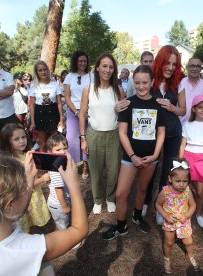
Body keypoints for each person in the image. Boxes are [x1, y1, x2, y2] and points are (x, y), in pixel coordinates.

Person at [101, 65, 166, 240]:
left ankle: (137, 216)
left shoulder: (159, 105)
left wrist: (155, 155)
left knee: (143, 188)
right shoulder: (128, 104)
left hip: (151, 158)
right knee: (121, 193)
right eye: (137, 82)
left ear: (152, 82)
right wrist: (132, 156)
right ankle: (121, 226)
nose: (141, 86)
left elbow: (161, 133)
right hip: (130, 157)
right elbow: (122, 133)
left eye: (145, 82)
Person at [79, 53, 125, 214]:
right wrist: (83, 138)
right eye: (104, 66)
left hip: (114, 135)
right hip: (94, 135)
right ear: (97, 67)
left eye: (111, 67)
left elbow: (124, 115)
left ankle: (110, 198)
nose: (107, 70)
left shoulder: (118, 90)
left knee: (113, 170)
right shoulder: (88, 89)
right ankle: (98, 200)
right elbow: (82, 113)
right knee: (95, 170)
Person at [146, 45, 186, 224]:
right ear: (160, 62)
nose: (170, 67)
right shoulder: (150, 80)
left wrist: (171, 107)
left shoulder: (179, 83)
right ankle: (145, 200)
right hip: (151, 133)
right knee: (150, 168)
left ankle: (160, 205)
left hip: (173, 133)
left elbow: (183, 110)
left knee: (167, 171)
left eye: (174, 64)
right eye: (167, 63)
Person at [0, 123, 51, 233]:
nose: (22, 141)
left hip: (32, 195)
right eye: (16, 139)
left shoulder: (26, 154)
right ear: (7, 142)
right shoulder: (10, 162)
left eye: (23, 137)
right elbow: (23, 184)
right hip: (23, 196)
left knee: (30, 221)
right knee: (24, 222)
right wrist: (43, 179)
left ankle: (32, 233)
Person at [179, 95, 203, 228]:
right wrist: (180, 162)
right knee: (186, 189)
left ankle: (198, 213)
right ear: (194, 109)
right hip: (188, 158)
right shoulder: (187, 125)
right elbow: (182, 145)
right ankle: (185, 212)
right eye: (200, 107)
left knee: (200, 191)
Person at [155, 158, 199, 274]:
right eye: (177, 181)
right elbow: (158, 205)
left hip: (184, 221)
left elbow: (193, 205)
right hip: (169, 222)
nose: (181, 184)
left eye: (184, 181)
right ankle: (167, 259)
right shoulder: (165, 192)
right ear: (170, 179)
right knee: (169, 242)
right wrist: (165, 216)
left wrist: (187, 215)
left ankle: (191, 255)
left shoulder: (187, 191)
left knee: (188, 242)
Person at [63, 51, 93, 179]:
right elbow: (67, 97)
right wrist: (76, 111)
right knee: (72, 140)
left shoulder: (92, 76)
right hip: (73, 111)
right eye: (80, 61)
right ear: (75, 62)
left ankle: (86, 166)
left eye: (85, 61)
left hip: (88, 112)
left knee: (87, 138)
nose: (82, 63)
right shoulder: (69, 76)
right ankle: (74, 165)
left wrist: (86, 111)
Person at [28, 60, 64, 152]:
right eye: (40, 70)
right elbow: (32, 105)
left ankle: (55, 163)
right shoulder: (33, 86)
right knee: (42, 143)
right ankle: (43, 164)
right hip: (40, 113)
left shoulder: (55, 84)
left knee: (55, 142)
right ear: (36, 72)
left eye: (44, 69)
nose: (43, 72)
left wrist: (61, 119)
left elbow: (59, 103)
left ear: (48, 70)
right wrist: (32, 122)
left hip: (53, 112)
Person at [44, 134, 71, 230]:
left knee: (59, 223)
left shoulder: (57, 163)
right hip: (59, 205)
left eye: (65, 148)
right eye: (58, 150)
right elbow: (58, 190)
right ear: (50, 152)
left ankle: (57, 231)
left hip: (57, 204)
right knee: (63, 225)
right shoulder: (57, 169)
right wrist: (64, 207)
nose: (63, 152)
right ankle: (66, 242)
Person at [180, 57, 203, 125]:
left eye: (198, 66)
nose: (195, 69)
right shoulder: (180, 83)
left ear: (201, 68)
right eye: (192, 66)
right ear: (187, 67)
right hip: (182, 124)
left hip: (199, 125)